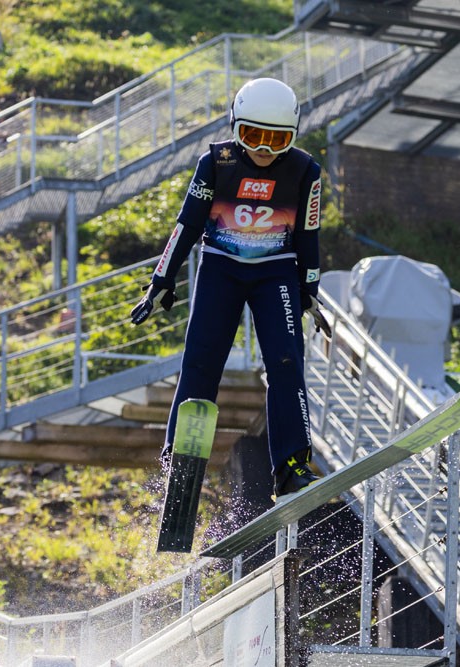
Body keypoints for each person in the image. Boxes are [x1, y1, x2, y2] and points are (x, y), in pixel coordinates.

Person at [131, 78, 331, 500]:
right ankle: (180, 457)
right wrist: (161, 280)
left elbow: (309, 233)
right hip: (221, 268)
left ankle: (292, 466)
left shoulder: (305, 171)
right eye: (253, 135)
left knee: (286, 362)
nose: (263, 149)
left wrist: (309, 288)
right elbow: (187, 224)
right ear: (235, 126)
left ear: (292, 136)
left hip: (276, 272)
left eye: (277, 140)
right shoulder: (216, 162)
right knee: (201, 359)